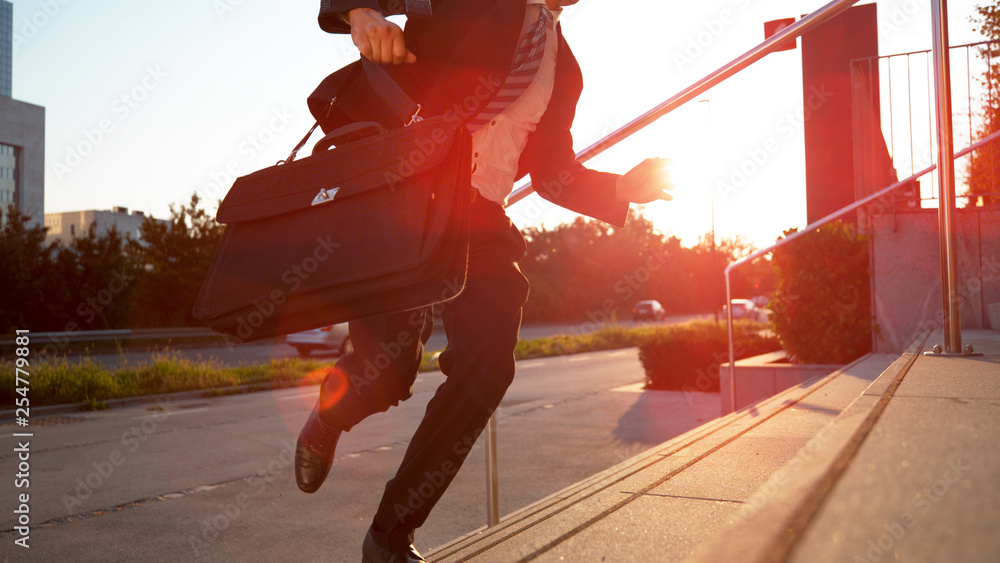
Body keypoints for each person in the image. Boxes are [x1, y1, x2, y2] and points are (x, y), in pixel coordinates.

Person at [296, 1, 674, 561]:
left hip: (480, 217)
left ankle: (390, 533)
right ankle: (332, 412)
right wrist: (361, 16)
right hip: (407, 196)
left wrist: (621, 188)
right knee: (391, 371)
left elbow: (553, 173)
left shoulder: (564, 68)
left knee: (488, 368)